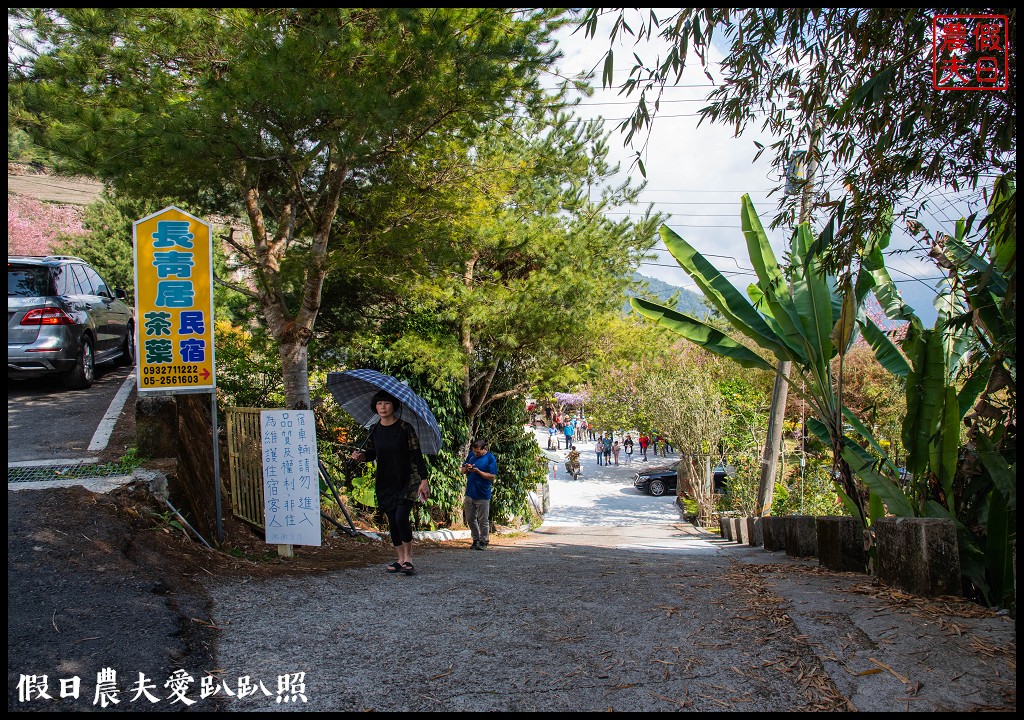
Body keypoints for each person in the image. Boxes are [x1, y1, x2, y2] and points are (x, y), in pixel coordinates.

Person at [351, 390, 429, 576]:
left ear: (394, 405)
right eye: (379, 404)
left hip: (408, 479)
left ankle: (409, 558)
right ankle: (400, 558)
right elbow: (371, 454)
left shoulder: (405, 428)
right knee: (392, 520)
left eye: (386, 403)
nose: (383, 407)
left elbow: (417, 455)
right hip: (385, 480)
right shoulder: (374, 429)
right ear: (375, 407)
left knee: (402, 517)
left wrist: (424, 480)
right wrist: (360, 456)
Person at [462, 439, 498, 550]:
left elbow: (492, 476)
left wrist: (478, 472)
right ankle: (475, 539)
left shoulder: (490, 458)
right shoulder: (471, 455)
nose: (476, 453)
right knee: (470, 518)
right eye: (474, 451)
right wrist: (467, 468)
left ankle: (484, 541)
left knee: (483, 520)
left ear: (484, 449)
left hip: (483, 494)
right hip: (470, 492)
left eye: (478, 452)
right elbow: (462, 470)